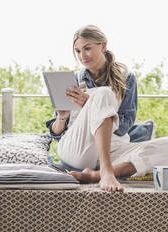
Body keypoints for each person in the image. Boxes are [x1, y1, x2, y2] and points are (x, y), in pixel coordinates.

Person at [46, 24, 168, 192]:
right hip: (79, 150)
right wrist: (62, 116)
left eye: (87, 48)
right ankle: (107, 172)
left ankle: (95, 175)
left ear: (103, 46)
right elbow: (57, 134)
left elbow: (125, 125)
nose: (82, 56)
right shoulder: (73, 80)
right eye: (78, 51)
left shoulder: (127, 78)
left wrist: (93, 106)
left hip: (113, 149)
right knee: (104, 94)